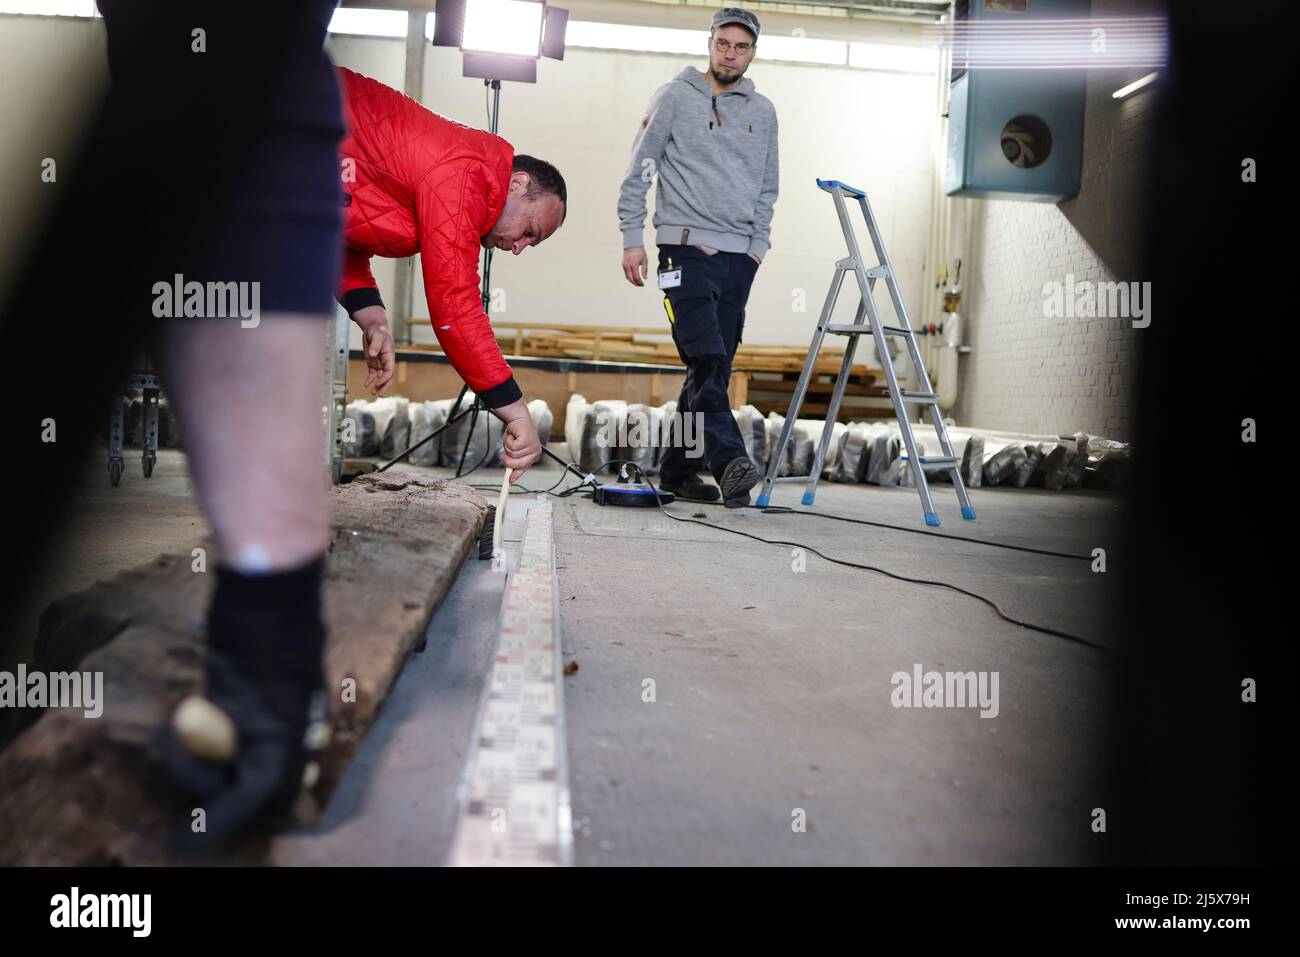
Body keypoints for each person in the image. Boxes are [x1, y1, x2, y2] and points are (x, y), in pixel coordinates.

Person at [336, 67, 567, 480]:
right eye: (530, 231)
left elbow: (334, 231)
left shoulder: (451, 183)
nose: (518, 248)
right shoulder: (468, 173)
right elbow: (454, 306)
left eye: (531, 244)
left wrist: (372, 318)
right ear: (517, 183)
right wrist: (516, 413)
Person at [617, 7, 779, 507]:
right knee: (704, 355)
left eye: (742, 46)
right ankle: (730, 461)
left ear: (753, 51)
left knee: (713, 368)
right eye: (723, 44)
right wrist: (631, 235)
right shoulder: (675, 97)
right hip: (682, 250)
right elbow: (642, 166)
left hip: (738, 260)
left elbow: (768, 186)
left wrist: (756, 249)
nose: (731, 53)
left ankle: (677, 468)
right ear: (710, 44)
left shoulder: (763, 111)